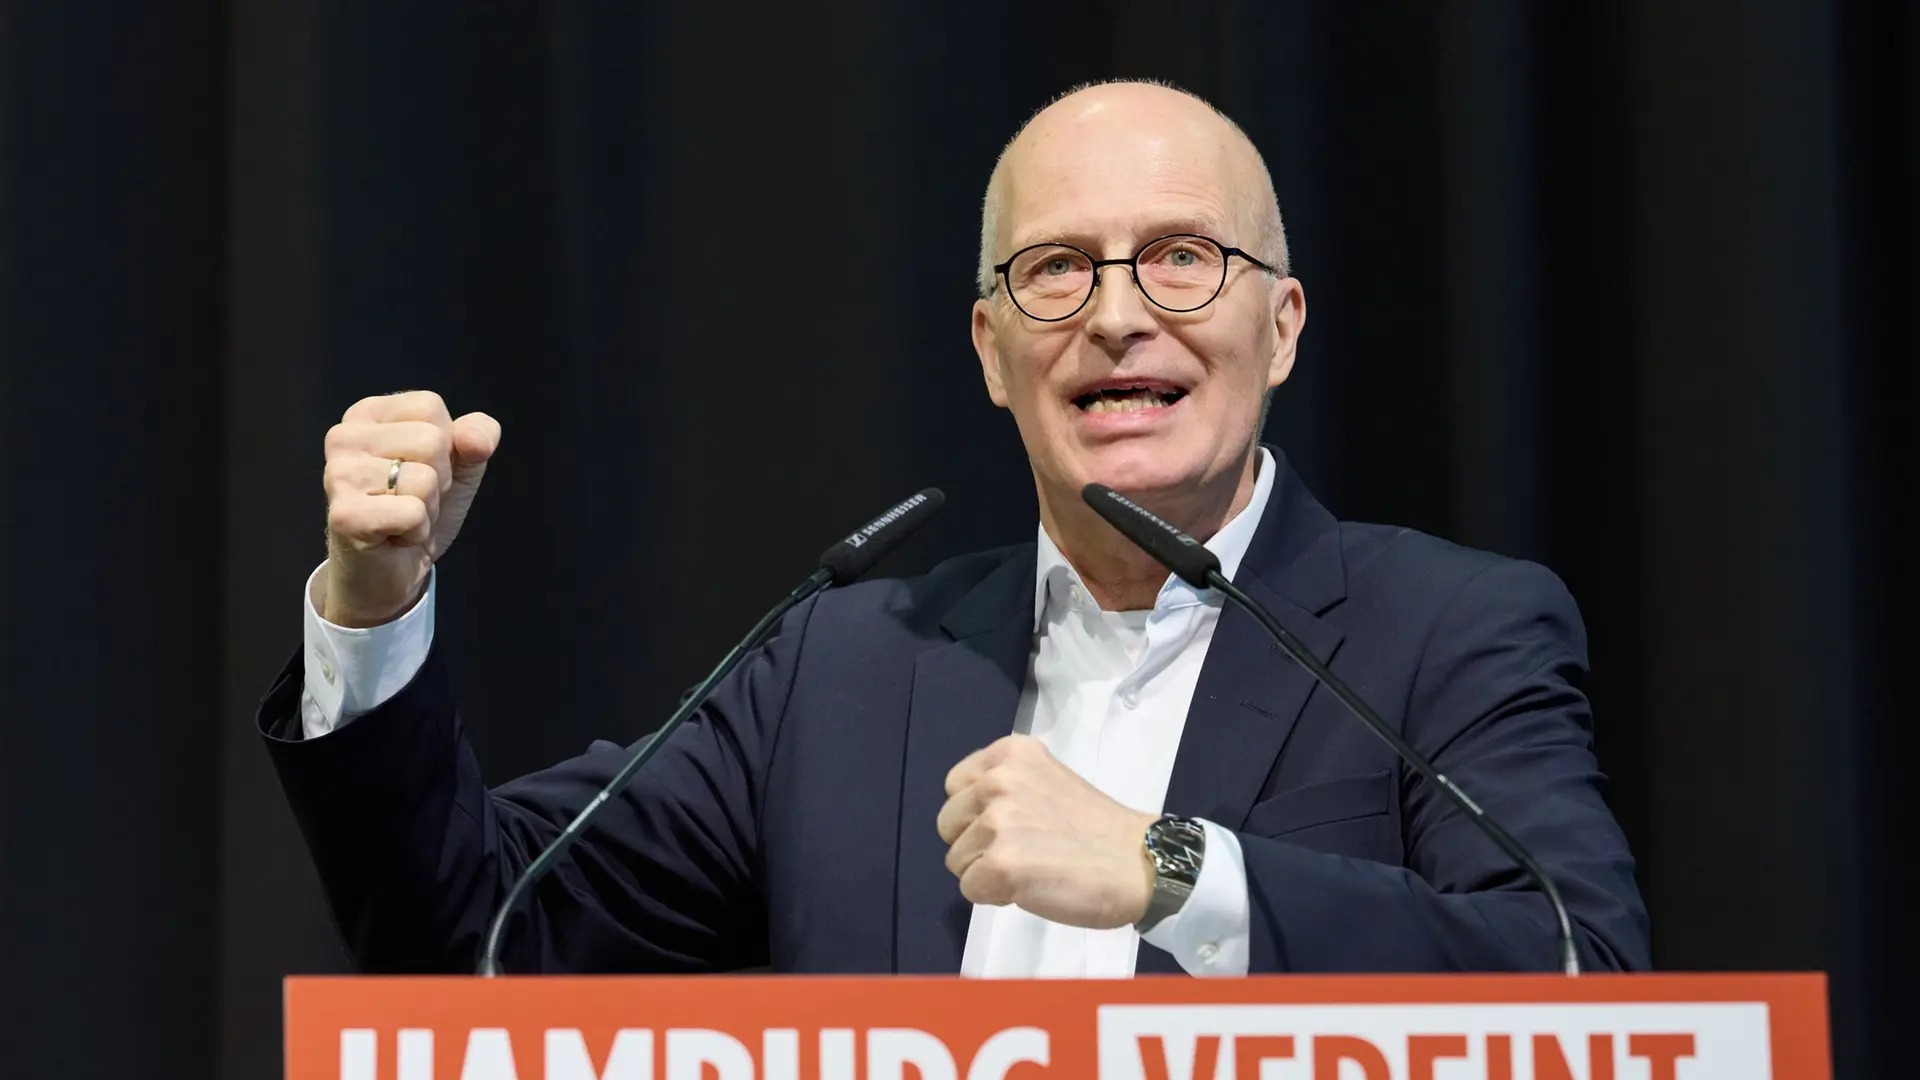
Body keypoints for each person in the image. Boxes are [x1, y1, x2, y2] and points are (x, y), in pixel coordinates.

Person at [261, 80, 1649, 977]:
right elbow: (474, 932)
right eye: (1056, 269)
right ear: (992, 350)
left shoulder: (1444, 631)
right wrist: (375, 608)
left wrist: (1171, 872)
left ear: (1280, 327)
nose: (1118, 316)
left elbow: (1581, 968)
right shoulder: (839, 670)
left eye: (1181, 258)